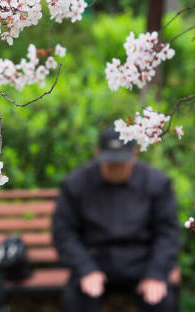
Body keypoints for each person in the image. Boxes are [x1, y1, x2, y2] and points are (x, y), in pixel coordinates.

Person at [52, 126, 181, 312]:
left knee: (162, 301)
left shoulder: (157, 183)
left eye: (121, 163)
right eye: (109, 163)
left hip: (141, 263)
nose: (115, 168)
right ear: (97, 154)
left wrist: (156, 273)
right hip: (94, 260)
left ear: (134, 154)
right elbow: (64, 232)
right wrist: (85, 268)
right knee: (76, 301)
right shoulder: (76, 184)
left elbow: (167, 233)